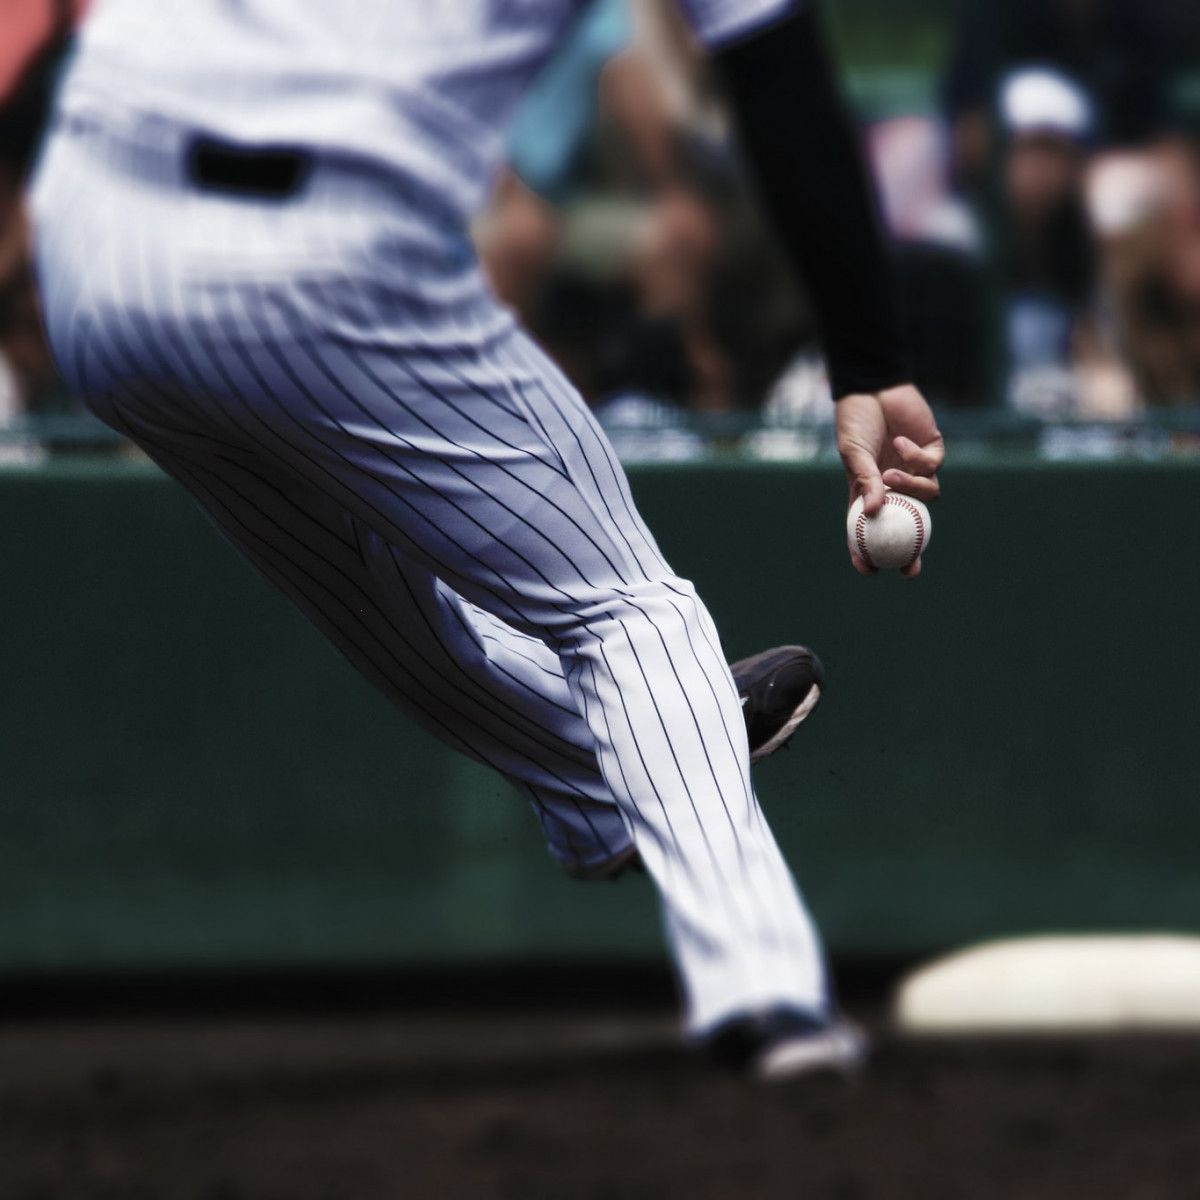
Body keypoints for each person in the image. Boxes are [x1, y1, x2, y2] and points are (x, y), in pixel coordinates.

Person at [29, 0, 943, 1079]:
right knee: (623, 609)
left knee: (366, 578)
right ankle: (766, 996)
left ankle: (601, 778)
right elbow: (777, 80)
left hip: (91, 244)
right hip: (321, 243)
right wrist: (870, 360)